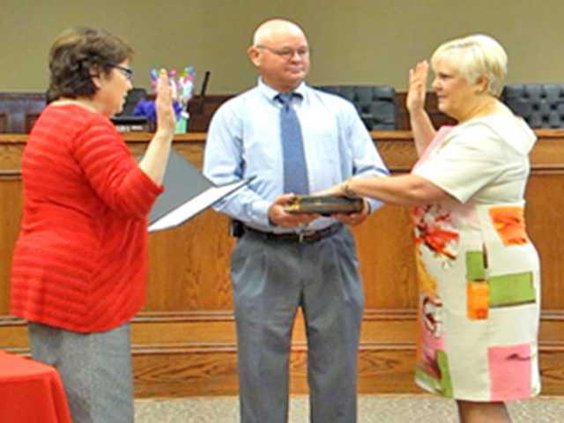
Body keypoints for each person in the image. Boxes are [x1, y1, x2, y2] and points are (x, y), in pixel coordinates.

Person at [326, 34, 541, 423]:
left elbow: (421, 187)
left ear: (479, 81)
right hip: (469, 273)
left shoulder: (488, 135)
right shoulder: (475, 126)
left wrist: (352, 184)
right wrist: (416, 112)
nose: (436, 85)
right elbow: (436, 166)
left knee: (481, 388)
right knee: (468, 384)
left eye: (446, 76)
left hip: (485, 277)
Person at [203, 18, 388, 423]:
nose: (297, 59)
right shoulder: (233, 115)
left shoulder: (338, 111)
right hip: (262, 250)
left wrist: (363, 206)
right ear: (256, 56)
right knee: (260, 364)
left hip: (331, 247)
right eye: (286, 52)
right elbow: (218, 186)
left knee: (337, 360)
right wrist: (265, 211)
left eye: (303, 51)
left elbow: (375, 172)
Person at [10, 27, 176, 422]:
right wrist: (165, 132)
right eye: (125, 73)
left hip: (50, 279)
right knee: (101, 411)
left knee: (67, 406)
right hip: (85, 286)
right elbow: (132, 198)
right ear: (98, 74)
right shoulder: (88, 126)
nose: (129, 86)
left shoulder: (53, 119)